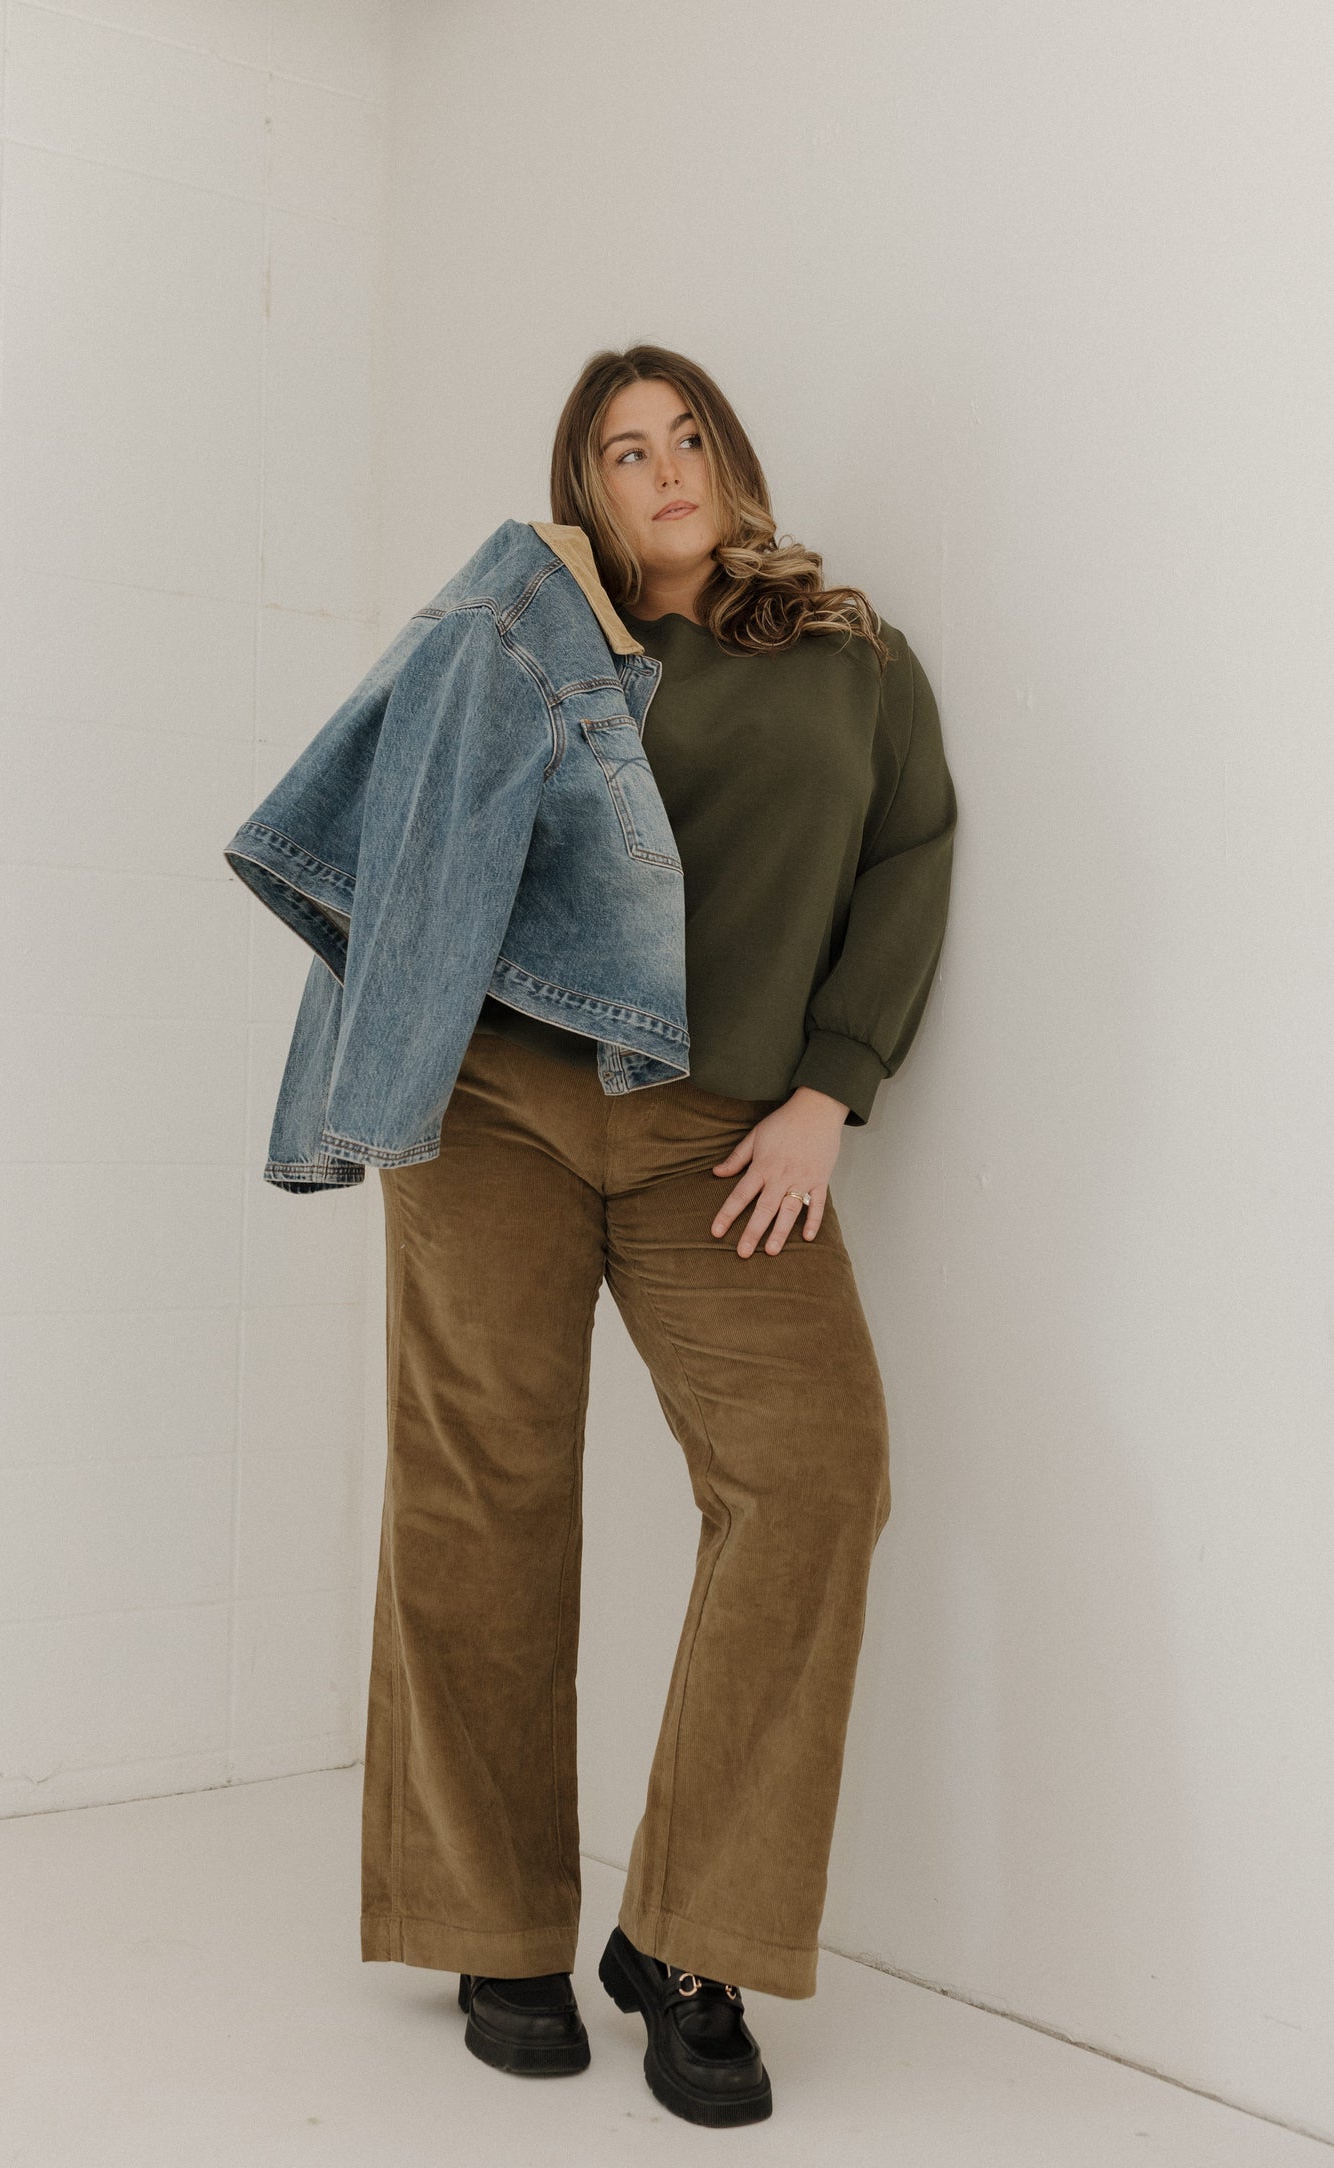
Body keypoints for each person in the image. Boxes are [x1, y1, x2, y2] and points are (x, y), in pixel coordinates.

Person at [359, 343, 957, 2128]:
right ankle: (495, 1928)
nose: (664, 468)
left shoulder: (848, 656)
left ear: (730, 456)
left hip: (725, 1132)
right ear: (585, 490)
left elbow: (909, 855)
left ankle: (689, 1941)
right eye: (623, 452)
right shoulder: (539, 643)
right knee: (487, 1487)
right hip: (500, 1107)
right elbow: (405, 824)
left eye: (685, 435)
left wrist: (827, 1093)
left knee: (815, 1476)